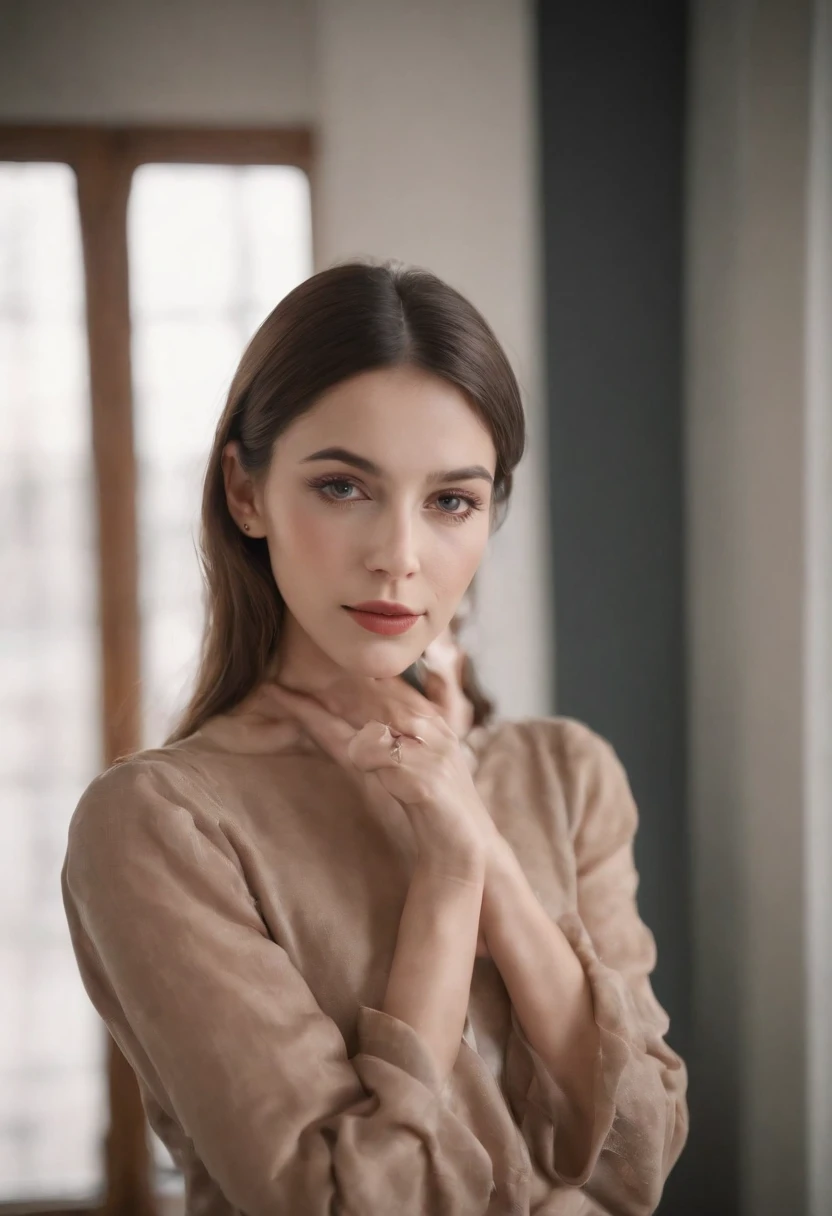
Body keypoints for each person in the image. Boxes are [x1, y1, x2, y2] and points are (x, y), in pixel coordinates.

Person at [61, 260, 689, 1215]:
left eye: (451, 501)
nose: (399, 555)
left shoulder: (568, 775)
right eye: (345, 486)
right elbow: (342, 1204)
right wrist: (447, 882)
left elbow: (640, 1157)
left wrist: (483, 843)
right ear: (245, 492)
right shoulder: (161, 825)